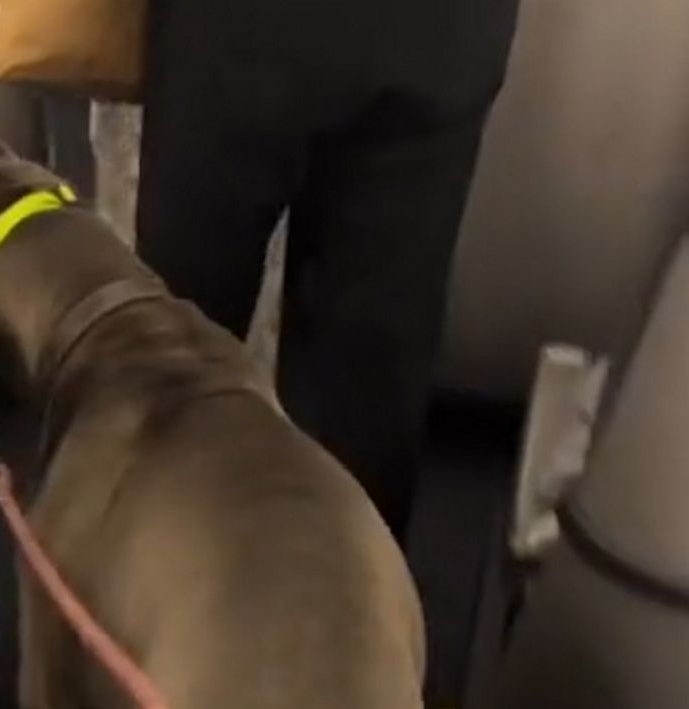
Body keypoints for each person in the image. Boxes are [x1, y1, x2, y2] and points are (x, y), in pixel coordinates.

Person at [136, 0, 521, 548]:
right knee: (369, 371)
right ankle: (342, 617)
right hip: (444, 30)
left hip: (242, 30)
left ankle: (147, 595)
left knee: (174, 346)